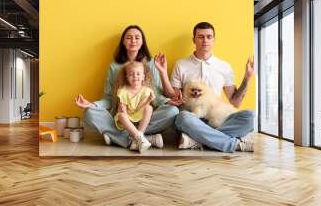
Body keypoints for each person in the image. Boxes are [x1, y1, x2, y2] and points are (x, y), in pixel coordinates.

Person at [154, 22, 255, 153]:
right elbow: (173, 96)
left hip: (218, 119)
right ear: (194, 40)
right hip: (192, 119)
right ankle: (233, 144)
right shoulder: (181, 64)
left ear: (214, 40)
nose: (205, 40)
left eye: (209, 36)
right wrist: (162, 72)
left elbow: (235, 102)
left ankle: (197, 140)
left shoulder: (224, 66)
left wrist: (247, 78)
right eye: (201, 37)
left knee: (251, 117)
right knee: (182, 117)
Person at [75, 25, 179, 149]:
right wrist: (92, 105)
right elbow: (109, 99)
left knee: (173, 111)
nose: (133, 41)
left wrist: (168, 101)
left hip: (144, 119)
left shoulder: (151, 64)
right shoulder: (114, 66)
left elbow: (155, 95)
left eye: (137, 37)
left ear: (142, 41)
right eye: (129, 38)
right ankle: (141, 139)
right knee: (89, 113)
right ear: (123, 41)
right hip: (122, 118)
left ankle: (122, 138)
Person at [113, 62, 155, 153]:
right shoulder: (123, 90)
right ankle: (140, 138)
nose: (135, 76)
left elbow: (140, 107)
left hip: (139, 115)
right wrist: (122, 110)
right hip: (127, 117)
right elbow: (122, 107)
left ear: (143, 76)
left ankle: (138, 139)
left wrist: (149, 100)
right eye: (131, 74)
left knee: (149, 108)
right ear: (127, 77)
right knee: (121, 115)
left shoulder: (146, 90)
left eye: (138, 74)